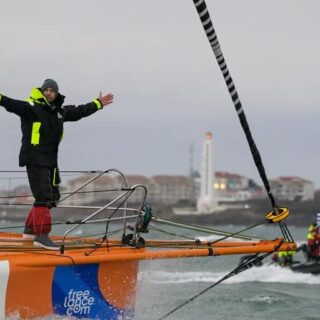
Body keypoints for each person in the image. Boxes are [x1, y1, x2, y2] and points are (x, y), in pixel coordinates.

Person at [0, 79, 113, 250]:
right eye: (46, 90)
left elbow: (79, 111)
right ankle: (42, 236)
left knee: (51, 198)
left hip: (51, 162)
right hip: (35, 159)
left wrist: (97, 104)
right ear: (42, 91)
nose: (49, 93)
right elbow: (8, 103)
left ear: (56, 93)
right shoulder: (30, 108)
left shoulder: (59, 111)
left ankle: (30, 232)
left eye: (52, 90)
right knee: (43, 197)